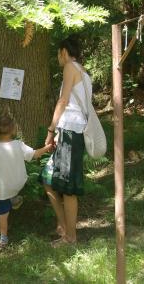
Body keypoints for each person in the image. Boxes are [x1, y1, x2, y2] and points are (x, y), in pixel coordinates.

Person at [41, 37, 91, 246]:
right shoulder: (82, 71)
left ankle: (71, 238)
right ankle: (63, 227)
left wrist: (51, 130)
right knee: (47, 179)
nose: (58, 57)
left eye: (58, 53)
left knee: (68, 189)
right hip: (68, 131)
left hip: (71, 131)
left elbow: (63, 101)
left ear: (63, 52)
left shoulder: (71, 67)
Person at [0, 116, 53, 249]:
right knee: (14, 189)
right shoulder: (18, 145)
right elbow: (34, 155)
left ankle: (3, 238)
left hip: (3, 189)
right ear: (14, 129)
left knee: (3, 213)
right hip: (20, 182)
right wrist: (47, 147)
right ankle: (14, 198)